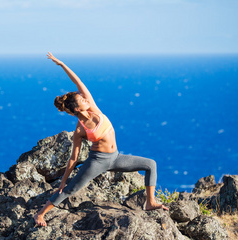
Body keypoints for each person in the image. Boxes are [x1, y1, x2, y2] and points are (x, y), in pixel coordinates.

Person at [34, 52, 168, 227]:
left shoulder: (94, 108)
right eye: (81, 99)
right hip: (97, 161)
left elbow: (78, 82)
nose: (85, 98)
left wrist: (61, 64)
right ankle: (40, 214)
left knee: (151, 164)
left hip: (116, 157)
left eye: (83, 97)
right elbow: (73, 158)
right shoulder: (79, 130)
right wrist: (63, 181)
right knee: (70, 190)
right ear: (76, 107)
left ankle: (150, 202)